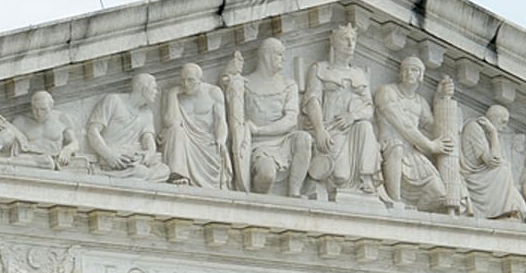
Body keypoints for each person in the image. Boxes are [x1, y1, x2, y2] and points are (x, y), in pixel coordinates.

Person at [302, 24, 380, 195]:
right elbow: (312, 101)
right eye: (345, 39)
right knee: (341, 176)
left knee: (366, 126)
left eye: (353, 39)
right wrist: (320, 130)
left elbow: (369, 108)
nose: (350, 43)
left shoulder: (360, 74)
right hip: (330, 129)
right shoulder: (320, 68)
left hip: (353, 128)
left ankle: (366, 177)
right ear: (333, 42)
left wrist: (353, 116)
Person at [373, 56, 452, 211]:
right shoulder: (387, 92)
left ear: (421, 75)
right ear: (400, 73)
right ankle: (395, 202)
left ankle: (413, 213)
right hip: (388, 146)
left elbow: (433, 128)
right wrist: (430, 146)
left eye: (414, 70)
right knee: (396, 146)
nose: (409, 73)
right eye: (405, 69)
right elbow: (402, 124)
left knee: (439, 193)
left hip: (412, 152)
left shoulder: (420, 102)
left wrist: (441, 98)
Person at [240, 38, 313, 197]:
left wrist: (259, 130)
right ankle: (259, 202)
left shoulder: (288, 84)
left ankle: (294, 192)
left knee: (304, 139)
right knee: (266, 175)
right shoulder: (245, 83)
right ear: (267, 55)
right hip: (259, 145)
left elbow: (291, 120)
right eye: (279, 54)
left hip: (284, 140)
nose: (283, 59)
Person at [0, 90, 79, 169]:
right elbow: (0, 139)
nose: (39, 113)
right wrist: (0, 128)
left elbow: (74, 142)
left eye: (43, 109)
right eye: (35, 109)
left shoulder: (62, 118)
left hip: (45, 159)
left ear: (51, 106)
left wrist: (67, 150)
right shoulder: (22, 120)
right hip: (23, 153)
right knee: (8, 132)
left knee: (47, 162)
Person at [85, 74, 170, 182]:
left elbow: (148, 140)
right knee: (141, 172)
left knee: (164, 170)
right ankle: (106, 174)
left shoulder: (147, 113)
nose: (156, 92)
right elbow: (93, 131)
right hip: (113, 157)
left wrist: (147, 155)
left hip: (133, 159)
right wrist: (110, 156)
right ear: (144, 89)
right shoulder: (113, 100)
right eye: (154, 88)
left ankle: (114, 177)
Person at [160, 63, 230, 188]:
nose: (186, 84)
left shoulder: (213, 92)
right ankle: (178, 174)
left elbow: (221, 121)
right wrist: (172, 94)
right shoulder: (173, 95)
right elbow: (172, 122)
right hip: (185, 141)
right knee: (176, 131)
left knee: (218, 150)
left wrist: (221, 139)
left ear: (200, 80)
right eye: (182, 80)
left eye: (190, 80)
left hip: (206, 141)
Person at [459, 104, 526, 220]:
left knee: (520, 205)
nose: (505, 127)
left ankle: (507, 210)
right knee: (503, 170)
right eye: (503, 122)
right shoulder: (474, 127)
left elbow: (496, 159)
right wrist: (493, 133)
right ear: (493, 118)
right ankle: (498, 213)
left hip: (484, 176)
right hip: (472, 176)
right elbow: (493, 160)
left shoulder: (485, 130)